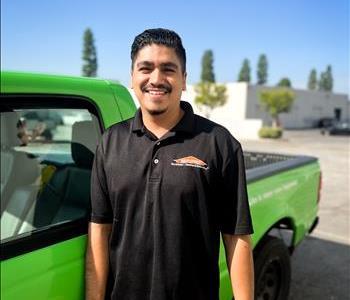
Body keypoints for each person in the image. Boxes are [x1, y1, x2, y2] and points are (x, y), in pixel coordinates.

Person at [85, 28, 254, 300]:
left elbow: (236, 236)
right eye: (145, 68)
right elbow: (99, 231)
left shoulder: (219, 143)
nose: (156, 79)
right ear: (132, 77)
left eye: (168, 69)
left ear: (184, 79)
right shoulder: (110, 142)